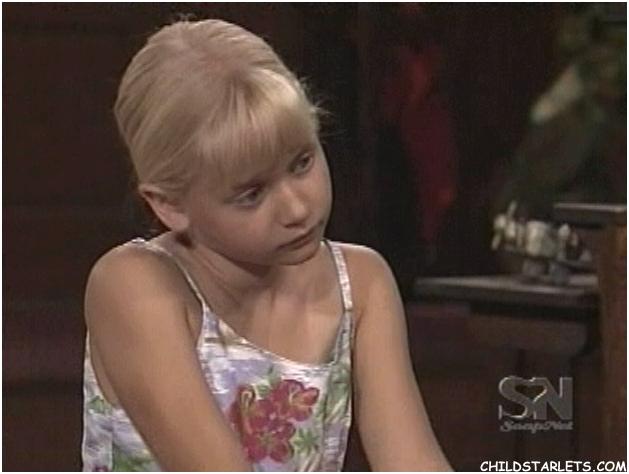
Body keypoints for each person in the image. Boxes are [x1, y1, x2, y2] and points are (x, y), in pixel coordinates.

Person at [82, 18, 452, 472]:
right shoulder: (133, 286)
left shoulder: (362, 284)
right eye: (252, 194)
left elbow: (413, 462)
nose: (297, 207)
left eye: (302, 162)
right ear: (170, 205)